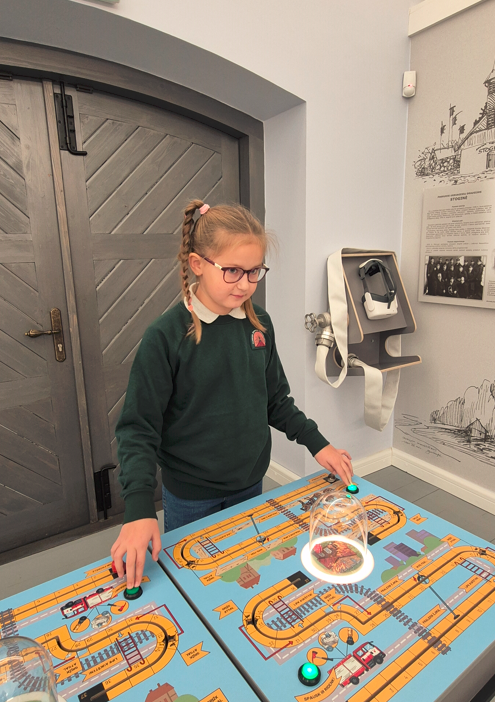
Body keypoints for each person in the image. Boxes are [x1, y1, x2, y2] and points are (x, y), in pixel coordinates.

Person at [111, 200, 353, 589]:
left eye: (255, 271)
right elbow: (138, 429)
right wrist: (139, 508)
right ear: (197, 264)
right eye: (233, 271)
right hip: (191, 496)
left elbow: (276, 400)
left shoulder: (260, 325)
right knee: (198, 584)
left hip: (249, 483)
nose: (245, 284)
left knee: (246, 576)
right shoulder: (165, 336)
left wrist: (317, 443)